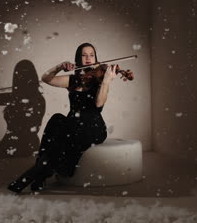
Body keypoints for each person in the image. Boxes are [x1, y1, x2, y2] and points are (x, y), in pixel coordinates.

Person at [7, 42, 117, 193]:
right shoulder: (73, 80)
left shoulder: (101, 80)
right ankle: (40, 174)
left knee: (63, 137)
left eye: (92, 55)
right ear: (78, 59)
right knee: (56, 120)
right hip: (74, 124)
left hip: (92, 128)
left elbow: (98, 104)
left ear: (96, 59)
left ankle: (35, 175)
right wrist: (59, 66)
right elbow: (46, 78)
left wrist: (106, 82)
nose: (88, 58)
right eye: (84, 55)